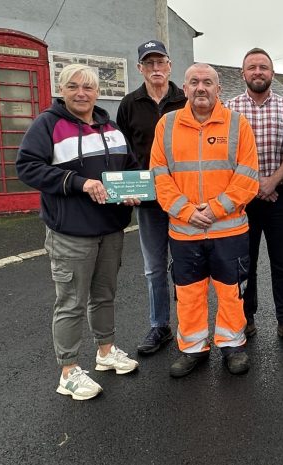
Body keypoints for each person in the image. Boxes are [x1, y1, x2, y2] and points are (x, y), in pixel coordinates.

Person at [16, 64, 140, 400]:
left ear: (97, 91)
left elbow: (127, 167)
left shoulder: (111, 126)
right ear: (62, 89)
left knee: (104, 295)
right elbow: (27, 166)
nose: (81, 93)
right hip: (71, 231)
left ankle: (105, 351)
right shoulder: (48, 124)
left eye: (88, 87)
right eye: (73, 87)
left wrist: (133, 189)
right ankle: (68, 371)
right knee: (71, 302)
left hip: (111, 229)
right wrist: (78, 182)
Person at [150, 63, 259, 378]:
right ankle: (193, 349)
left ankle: (232, 345)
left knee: (231, 292)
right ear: (184, 88)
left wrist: (214, 209)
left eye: (208, 82)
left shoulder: (238, 124)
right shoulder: (167, 125)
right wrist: (186, 210)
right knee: (189, 293)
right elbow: (160, 174)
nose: (201, 87)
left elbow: (247, 175)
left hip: (229, 229)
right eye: (194, 82)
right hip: (185, 232)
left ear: (218, 89)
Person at [225, 48, 283, 347]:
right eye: (252, 67)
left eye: (264, 67)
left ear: (272, 72)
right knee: (246, 264)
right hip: (241, 201)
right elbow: (226, 156)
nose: (258, 72)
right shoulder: (229, 109)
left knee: (282, 264)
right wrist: (255, 185)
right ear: (243, 73)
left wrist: (272, 182)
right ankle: (247, 319)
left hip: (280, 198)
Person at [117, 39, 186, 354]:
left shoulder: (185, 100)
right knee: (154, 267)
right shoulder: (129, 104)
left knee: (187, 265)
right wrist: (126, 188)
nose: (156, 69)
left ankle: (189, 324)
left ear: (170, 66)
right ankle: (160, 326)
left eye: (161, 62)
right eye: (149, 63)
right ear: (140, 68)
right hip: (148, 202)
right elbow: (123, 153)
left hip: (186, 200)